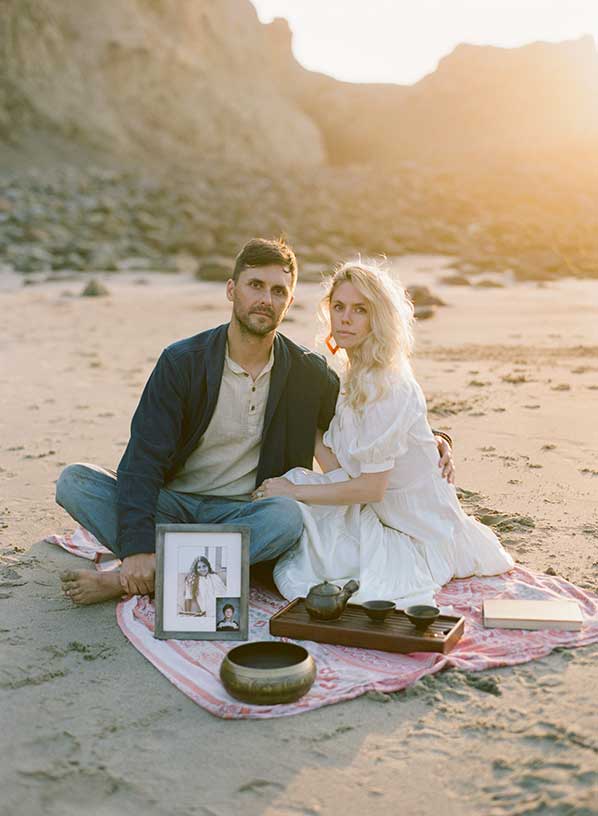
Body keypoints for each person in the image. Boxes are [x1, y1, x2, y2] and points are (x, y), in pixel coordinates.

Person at [56, 238, 454, 605]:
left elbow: (367, 423)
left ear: (289, 300)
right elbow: (142, 461)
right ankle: (169, 561)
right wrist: (139, 545)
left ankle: (139, 576)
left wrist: (434, 439)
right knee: (75, 482)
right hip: (174, 503)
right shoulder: (182, 363)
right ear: (232, 290)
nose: (266, 299)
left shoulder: (308, 373)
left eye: (278, 291)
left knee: (286, 517)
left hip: (246, 513)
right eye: (255, 285)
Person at [252, 261, 514, 607]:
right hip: (377, 508)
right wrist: (303, 431)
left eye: (360, 310)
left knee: (309, 547)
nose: (345, 318)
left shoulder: (387, 384)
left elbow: (372, 487)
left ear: (379, 318)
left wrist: (295, 492)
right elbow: (343, 461)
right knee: (294, 506)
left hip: (413, 528)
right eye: (339, 307)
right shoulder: (355, 372)